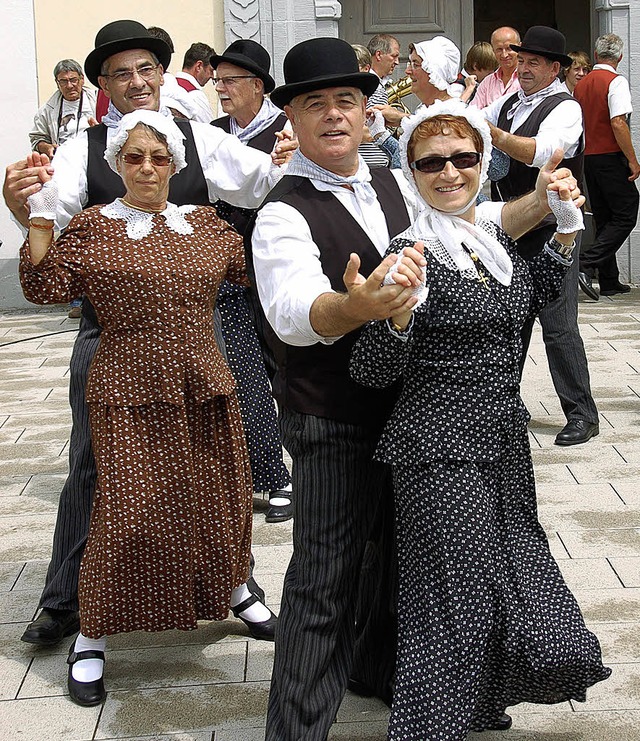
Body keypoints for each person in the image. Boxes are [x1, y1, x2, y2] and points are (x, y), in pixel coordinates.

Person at [249, 36, 589, 741]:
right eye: (317, 104)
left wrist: (548, 204)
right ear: (295, 118)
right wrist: (365, 307)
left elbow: (469, 219)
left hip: (415, 417)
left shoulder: (389, 180)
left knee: (397, 566)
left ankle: (376, 675)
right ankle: (296, 730)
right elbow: (296, 314)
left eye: (347, 100)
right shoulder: (283, 211)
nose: (336, 115)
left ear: (367, 109)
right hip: (337, 416)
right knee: (326, 581)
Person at [3, 19, 287, 650]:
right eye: (121, 73)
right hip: (112, 336)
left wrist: (297, 160)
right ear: (103, 84)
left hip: (192, 332)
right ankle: (67, 604)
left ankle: (231, 584)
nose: (135, 82)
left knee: (213, 469)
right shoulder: (85, 146)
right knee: (95, 472)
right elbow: (49, 229)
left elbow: (266, 180)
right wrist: (19, 205)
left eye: (145, 69)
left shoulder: (201, 138)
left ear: (162, 74)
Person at [349, 99, 611, 741]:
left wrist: (568, 230)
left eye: (463, 158)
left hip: (499, 443)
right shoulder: (411, 252)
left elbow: (531, 296)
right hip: (437, 449)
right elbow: (370, 371)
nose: (449, 172)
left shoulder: (488, 242)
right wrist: (397, 316)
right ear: (410, 172)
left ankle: (474, 702)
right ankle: (427, 726)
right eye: (431, 162)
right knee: (453, 595)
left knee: (507, 575)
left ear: (482, 162)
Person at [484, 26, 600, 447]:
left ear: (555, 68)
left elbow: (541, 153)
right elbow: (472, 120)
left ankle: (582, 414)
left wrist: (493, 135)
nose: (524, 68)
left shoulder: (566, 108)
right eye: (521, 60)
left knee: (558, 325)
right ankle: (504, 407)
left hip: (554, 231)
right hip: (509, 226)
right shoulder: (510, 100)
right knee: (508, 323)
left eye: (534, 62)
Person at [210, 39, 293, 522]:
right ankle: (266, 472)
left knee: (284, 369)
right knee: (244, 373)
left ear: (257, 87)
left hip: (276, 267)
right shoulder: (214, 133)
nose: (220, 90)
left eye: (230, 82)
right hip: (229, 275)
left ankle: (299, 464)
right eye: (217, 81)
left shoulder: (286, 131)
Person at [574, 33, 639, 299]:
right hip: (610, 155)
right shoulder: (616, 81)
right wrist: (633, 159)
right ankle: (587, 262)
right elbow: (618, 122)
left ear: (597, 54)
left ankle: (610, 278)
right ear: (620, 57)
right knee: (626, 212)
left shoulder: (581, 84)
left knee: (604, 216)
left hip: (588, 156)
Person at [30, 60, 97, 159]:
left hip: (94, 159)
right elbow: (37, 139)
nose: (69, 86)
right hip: (63, 161)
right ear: (57, 83)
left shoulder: (98, 101)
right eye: (63, 81)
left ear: (82, 79)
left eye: (73, 80)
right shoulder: (46, 111)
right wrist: (47, 148)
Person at [471, 26, 521, 109]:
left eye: (509, 48)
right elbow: (473, 113)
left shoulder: (528, 80)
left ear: (519, 47)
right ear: (493, 50)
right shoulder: (487, 83)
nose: (504, 55)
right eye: (499, 49)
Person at [175, 42, 216, 123]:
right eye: (211, 70)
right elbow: (208, 130)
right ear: (198, 66)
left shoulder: (167, 86)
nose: (212, 76)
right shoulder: (196, 96)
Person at [366, 33, 400, 106]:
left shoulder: (387, 84)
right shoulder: (363, 82)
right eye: (394, 56)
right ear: (378, 55)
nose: (397, 62)